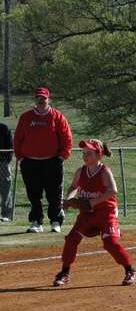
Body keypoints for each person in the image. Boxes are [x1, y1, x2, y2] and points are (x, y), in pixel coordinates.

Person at [53, 139, 136, 287]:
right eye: (84, 153)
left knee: (110, 243)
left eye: (89, 153)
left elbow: (113, 190)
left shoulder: (104, 171)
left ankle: (130, 270)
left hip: (106, 213)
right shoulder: (80, 171)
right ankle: (64, 273)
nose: (85, 156)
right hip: (87, 214)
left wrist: (91, 203)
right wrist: (69, 199)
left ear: (99, 155)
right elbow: (73, 187)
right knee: (71, 239)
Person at [13, 86, 73, 233]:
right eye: (38, 98)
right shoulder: (26, 117)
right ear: (35, 99)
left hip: (52, 161)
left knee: (54, 193)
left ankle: (55, 221)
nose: (41, 101)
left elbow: (67, 138)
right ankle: (36, 221)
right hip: (30, 162)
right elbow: (18, 139)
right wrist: (21, 158)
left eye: (44, 98)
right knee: (33, 194)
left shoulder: (57, 116)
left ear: (48, 99)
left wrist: (62, 156)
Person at [0, 122, 12, 222]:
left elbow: (10, 146)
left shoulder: (4, 128)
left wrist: (6, 161)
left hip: (2, 162)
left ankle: (6, 214)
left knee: (5, 189)